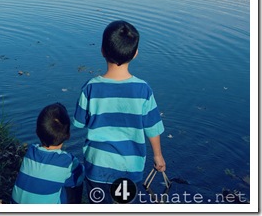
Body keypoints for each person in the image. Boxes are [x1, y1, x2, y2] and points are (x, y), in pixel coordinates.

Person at [73, 20, 166, 203]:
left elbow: (79, 122)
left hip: (97, 165)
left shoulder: (90, 88)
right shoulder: (143, 90)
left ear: (102, 51)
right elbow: (153, 128)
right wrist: (158, 155)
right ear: (135, 53)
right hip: (130, 167)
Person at [11, 102, 85, 204]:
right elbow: (81, 176)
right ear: (68, 135)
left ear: (37, 132)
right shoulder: (68, 161)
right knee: (75, 181)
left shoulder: (30, 151)